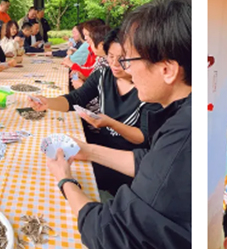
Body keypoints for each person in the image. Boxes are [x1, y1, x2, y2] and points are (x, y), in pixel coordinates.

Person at [43, 0, 191, 249]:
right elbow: (149, 162)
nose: (126, 69)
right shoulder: (182, 113)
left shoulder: (183, 134)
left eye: (130, 60)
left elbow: (110, 238)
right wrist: (88, 151)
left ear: (167, 69)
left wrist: (65, 180)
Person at [31, 29, 152, 196]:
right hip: (101, 143)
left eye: (122, 59)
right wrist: (48, 102)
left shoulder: (148, 88)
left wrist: (110, 123)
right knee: (52, 157)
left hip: (126, 160)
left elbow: (143, 137)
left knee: (64, 174)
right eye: (110, 56)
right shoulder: (104, 75)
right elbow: (76, 98)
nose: (115, 64)